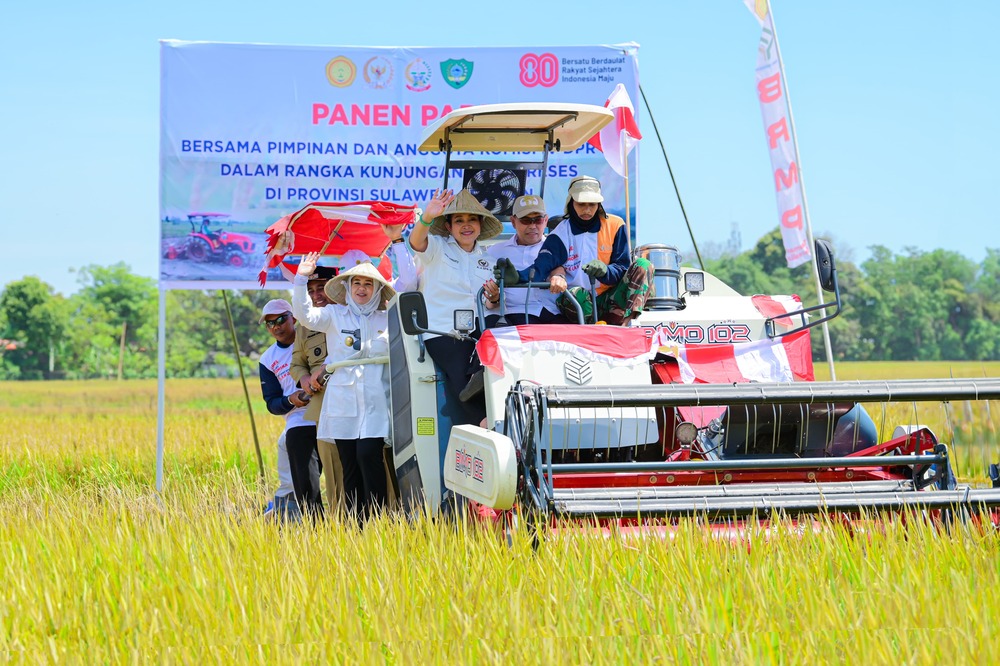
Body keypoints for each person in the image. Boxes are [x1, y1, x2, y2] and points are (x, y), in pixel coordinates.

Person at [292, 254, 395, 521]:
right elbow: (305, 316)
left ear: (378, 290)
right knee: (349, 464)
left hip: (375, 398)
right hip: (343, 399)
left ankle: (377, 519)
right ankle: (355, 524)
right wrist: (301, 278)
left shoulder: (388, 319)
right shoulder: (334, 315)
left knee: (369, 455)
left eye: (368, 284)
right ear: (348, 288)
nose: (362, 288)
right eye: (356, 283)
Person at [495, 175, 654, 326]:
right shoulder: (560, 233)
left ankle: (629, 324)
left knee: (643, 264)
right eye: (581, 204)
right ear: (571, 202)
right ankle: (593, 332)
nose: (587, 210)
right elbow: (541, 267)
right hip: (577, 302)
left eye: (592, 204)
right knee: (577, 294)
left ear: (599, 204)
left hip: (611, 299)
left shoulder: (616, 225)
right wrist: (518, 277)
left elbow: (623, 269)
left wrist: (606, 271)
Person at [408, 189, 502, 423]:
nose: (466, 225)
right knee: (463, 379)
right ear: (448, 227)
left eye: (472, 219)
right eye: (459, 220)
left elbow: (490, 305)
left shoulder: (488, 260)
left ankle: (500, 414)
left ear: (480, 225)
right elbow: (416, 241)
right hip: (443, 331)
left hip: (477, 332)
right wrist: (427, 217)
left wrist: (494, 298)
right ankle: (484, 423)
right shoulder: (437, 247)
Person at [289, 266, 340, 517]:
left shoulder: (347, 314)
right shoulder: (303, 328)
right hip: (322, 406)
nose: (316, 295)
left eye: (321, 288)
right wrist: (305, 377)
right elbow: (296, 363)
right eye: (310, 291)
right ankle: (339, 519)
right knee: (331, 467)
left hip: (354, 397)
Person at [258, 298, 311, 522]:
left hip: (330, 414)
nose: (276, 326)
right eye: (270, 323)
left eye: (280, 319)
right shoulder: (267, 359)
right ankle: (289, 513)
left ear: (294, 318)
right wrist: (291, 400)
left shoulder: (313, 337)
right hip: (298, 420)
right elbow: (272, 403)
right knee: (288, 453)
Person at [482, 194, 561, 327]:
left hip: (554, 313)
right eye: (525, 220)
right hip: (514, 315)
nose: (532, 226)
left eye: (538, 220)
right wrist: (494, 297)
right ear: (513, 222)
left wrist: (559, 276)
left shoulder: (557, 247)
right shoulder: (494, 252)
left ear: (546, 220)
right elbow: (486, 297)